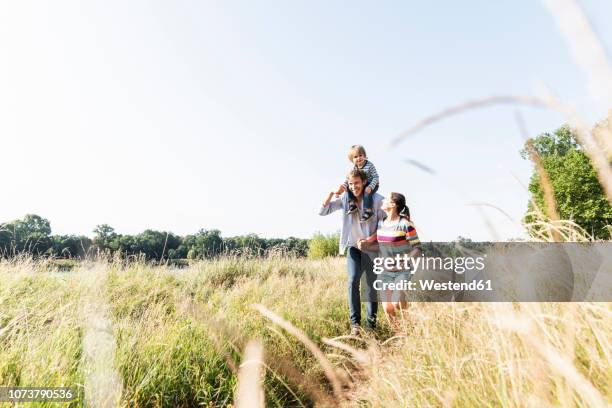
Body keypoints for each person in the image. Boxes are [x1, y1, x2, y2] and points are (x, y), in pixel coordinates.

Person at [320, 168, 384, 335]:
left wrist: (370, 239)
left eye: (357, 183)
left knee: (370, 287)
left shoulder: (377, 200)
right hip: (353, 248)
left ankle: (371, 327)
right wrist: (331, 193)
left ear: (363, 182)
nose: (354, 186)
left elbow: (388, 225)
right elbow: (323, 211)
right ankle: (355, 325)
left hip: (372, 249)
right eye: (351, 183)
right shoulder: (346, 198)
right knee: (353, 281)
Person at [359, 192, 421, 330]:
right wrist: (367, 244)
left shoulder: (405, 224)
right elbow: (381, 246)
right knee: (388, 308)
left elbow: (417, 248)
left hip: (402, 271)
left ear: (393, 204)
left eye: (386, 199)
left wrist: (406, 262)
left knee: (397, 302)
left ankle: (409, 324)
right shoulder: (381, 223)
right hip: (384, 271)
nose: (382, 201)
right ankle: (399, 334)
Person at [334, 145, 380, 223]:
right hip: (361, 183)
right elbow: (349, 180)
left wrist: (370, 187)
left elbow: (376, 177)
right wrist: (340, 190)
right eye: (355, 157)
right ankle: (352, 204)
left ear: (364, 156)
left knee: (366, 192)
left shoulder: (369, 165)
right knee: (349, 186)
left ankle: (368, 211)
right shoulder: (354, 168)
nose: (358, 158)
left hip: (372, 183)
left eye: (360, 155)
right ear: (352, 160)